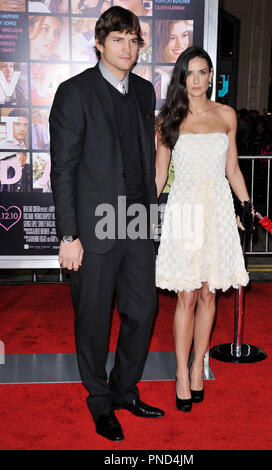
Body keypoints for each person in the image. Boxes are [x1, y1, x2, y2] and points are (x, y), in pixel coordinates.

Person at [49, 6, 164, 442]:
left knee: (143, 310)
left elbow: (144, 156)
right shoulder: (74, 92)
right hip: (93, 225)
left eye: (134, 40)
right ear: (99, 43)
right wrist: (68, 236)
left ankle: (124, 390)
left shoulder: (143, 91)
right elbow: (63, 169)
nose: (128, 48)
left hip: (136, 219)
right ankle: (99, 401)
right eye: (119, 39)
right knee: (93, 319)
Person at [155, 46, 251, 412]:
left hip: (218, 213)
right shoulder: (167, 120)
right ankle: (181, 371)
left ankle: (199, 364)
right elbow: (160, 177)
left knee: (210, 294)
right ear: (182, 78)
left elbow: (233, 169)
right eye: (189, 74)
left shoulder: (227, 115)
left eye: (202, 73)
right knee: (187, 296)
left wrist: (246, 205)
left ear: (211, 76)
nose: (196, 80)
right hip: (184, 213)